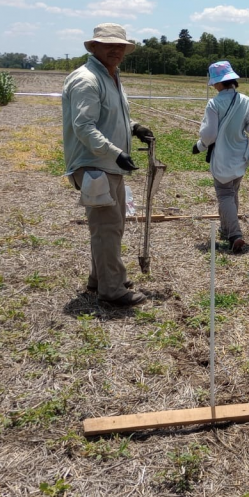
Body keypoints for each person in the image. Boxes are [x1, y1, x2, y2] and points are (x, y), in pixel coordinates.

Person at [62, 23, 154, 307]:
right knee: (107, 227)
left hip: (107, 164)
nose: (116, 50)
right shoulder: (87, 79)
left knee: (109, 227)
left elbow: (110, 118)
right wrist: (115, 152)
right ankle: (111, 289)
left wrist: (134, 126)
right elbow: (84, 126)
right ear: (94, 47)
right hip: (95, 164)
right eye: (109, 45)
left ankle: (101, 278)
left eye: (121, 46)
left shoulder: (110, 77)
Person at [192, 61, 249, 253]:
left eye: (214, 82)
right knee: (232, 193)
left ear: (219, 83)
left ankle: (235, 235)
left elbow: (209, 134)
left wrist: (200, 146)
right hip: (240, 156)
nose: (213, 86)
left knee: (225, 194)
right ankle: (226, 227)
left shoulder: (213, 104)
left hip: (222, 157)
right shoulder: (247, 101)